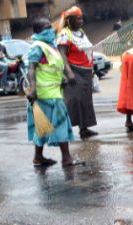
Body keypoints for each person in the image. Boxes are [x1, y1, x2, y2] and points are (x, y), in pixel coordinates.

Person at [26, 17, 78, 167]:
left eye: (50, 27)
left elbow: (52, 67)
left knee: (42, 126)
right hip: (46, 93)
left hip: (52, 91)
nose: (50, 30)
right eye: (46, 28)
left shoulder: (50, 46)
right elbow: (31, 69)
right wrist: (33, 89)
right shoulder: (37, 47)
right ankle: (67, 158)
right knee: (61, 123)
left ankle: (38, 157)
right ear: (37, 31)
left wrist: (62, 77)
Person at [57, 6, 98, 139]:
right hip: (75, 71)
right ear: (69, 20)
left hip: (86, 72)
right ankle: (63, 131)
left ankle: (84, 129)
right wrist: (69, 73)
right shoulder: (64, 33)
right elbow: (61, 54)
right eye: (77, 19)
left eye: (81, 18)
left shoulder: (81, 32)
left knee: (85, 101)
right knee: (74, 101)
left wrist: (92, 70)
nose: (81, 21)